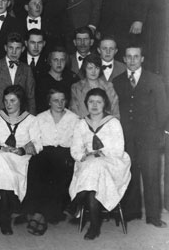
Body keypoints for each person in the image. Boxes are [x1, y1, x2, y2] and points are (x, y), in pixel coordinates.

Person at [114, 45, 169, 227]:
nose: (132, 60)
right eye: (128, 57)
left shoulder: (155, 80)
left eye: (136, 56)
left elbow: (163, 110)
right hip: (127, 137)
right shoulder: (117, 81)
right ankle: (132, 212)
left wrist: (158, 134)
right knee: (130, 173)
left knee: (151, 175)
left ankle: (153, 216)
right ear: (124, 59)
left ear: (142, 59)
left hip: (149, 138)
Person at [68, 88, 131, 240]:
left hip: (112, 163)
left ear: (105, 104)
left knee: (97, 166)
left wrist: (99, 154)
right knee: (94, 172)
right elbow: (75, 150)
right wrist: (86, 155)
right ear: (86, 104)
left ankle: (78, 199)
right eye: (91, 102)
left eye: (99, 102)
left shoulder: (113, 123)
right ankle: (94, 226)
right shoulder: (81, 124)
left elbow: (118, 149)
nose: (94, 105)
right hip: (88, 163)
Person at [0, 85, 41, 235]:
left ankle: (4, 212)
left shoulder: (31, 120)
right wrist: (0, 146)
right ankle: (5, 215)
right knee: (1, 159)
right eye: (6, 101)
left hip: (20, 159)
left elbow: (37, 144)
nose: (8, 104)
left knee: (4, 164)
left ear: (20, 101)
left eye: (13, 101)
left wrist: (21, 150)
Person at [22, 88, 80, 235]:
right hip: (45, 152)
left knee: (57, 172)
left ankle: (39, 216)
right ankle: (39, 212)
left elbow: (77, 142)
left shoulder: (74, 119)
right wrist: (32, 146)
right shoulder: (40, 118)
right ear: (49, 102)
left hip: (65, 153)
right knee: (35, 166)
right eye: (55, 100)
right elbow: (36, 140)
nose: (59, 103)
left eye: (62, 100)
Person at [0, 32, 36, 114]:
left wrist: (30, 119)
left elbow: (31, 98)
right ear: (5, 48)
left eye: (17, 48)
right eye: (11, 48)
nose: (14, 52)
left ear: (23, 49)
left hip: (19, 118)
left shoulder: (27, 69)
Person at [69, 54, 120, 119]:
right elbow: (74, 112)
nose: (93, 71)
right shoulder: (76, 88)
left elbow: (115, 112)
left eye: (97, 68)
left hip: (106, 123)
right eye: (90, 68)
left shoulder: (109, 87)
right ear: (85, 69)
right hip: (83, 123)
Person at [35, 46, 79, 113]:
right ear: (50, 62)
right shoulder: (41, 80)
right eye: (56, 60)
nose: (59, 63)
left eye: (62, 60)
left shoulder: (71, 79)